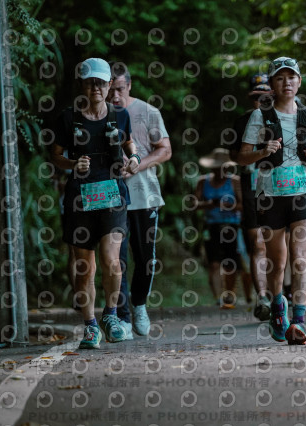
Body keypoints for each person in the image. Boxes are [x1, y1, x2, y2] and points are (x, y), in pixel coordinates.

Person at [236, 56, 306, 345]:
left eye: (291, 77)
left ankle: (299, 321)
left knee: (299, 257)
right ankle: (278, 308)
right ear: (273, 84)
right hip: (271, 196)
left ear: (299, 81)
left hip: (305, 192)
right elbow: (242, 157)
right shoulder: (259, 116)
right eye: (280, 78)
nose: (287, 82)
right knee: (278, 261)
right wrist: (263, 152)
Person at [50, 58, 139, 349]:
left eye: (101, 83)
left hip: (113, 195)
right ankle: (90, 326)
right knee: (85, 267)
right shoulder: (68, 118)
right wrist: (73, 164)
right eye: (90, 83)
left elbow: (128, 143)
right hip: (80, 197)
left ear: (109, 84)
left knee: (112, 260)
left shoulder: (119, 115)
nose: (96, 88)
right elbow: (55, 155)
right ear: (82, 85)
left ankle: (111, 316)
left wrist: (134, 158)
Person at [107, 64, 172, 338]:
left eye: (120, 89)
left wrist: (137, 164)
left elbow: (165, 150)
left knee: (145, 258)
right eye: (110, 90)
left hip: (144, 195)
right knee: (116, 259)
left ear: (129, 86)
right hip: (111, 198)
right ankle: (121, 317)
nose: (115, 96)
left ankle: (140, 304)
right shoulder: (97, 114)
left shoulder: (147, 112)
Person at [229, 73, 273, 321]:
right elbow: (234, 155)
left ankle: (283, 293)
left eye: (265, 96)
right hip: (252, 188)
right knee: (258, 244)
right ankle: (262, 297)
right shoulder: (241, 122)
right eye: (256, 97)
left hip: (281, 188)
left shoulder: (285, 118)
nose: (261, 101)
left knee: (280, 244)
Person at [196, 148, 243, 309]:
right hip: (211, 226)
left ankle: (229, 294)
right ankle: (218, 297)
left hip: (231, 226)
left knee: (230, 263)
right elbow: (193, 203)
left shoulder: (235, 181)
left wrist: (229, 206)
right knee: (214, 263)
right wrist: (209, 204)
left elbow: (244, 205)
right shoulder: (203, 181)